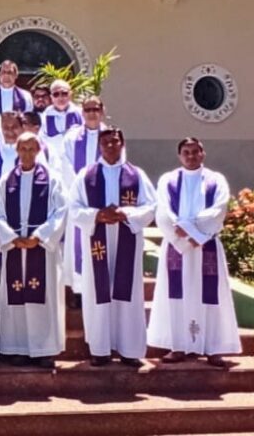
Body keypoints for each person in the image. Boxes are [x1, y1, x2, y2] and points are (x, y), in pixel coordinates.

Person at [69, 128, 156, 367]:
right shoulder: (86, 175)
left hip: (126, 238)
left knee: (127, 293)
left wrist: (125, 213)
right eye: (105, 142)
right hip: (97, 241)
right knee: (99, 293)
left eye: (114, 141)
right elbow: (74, 208)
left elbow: (151, 206)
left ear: (122, 143)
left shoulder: (136, 175)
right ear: (99, 145)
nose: (110, 146)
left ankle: (129, 350)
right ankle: (100, 349)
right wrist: (98, 215)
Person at [149, 138, 239, 367]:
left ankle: (213, 348)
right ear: (180, 156)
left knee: (210, 296)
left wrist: (191, 231)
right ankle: (178, 346)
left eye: (195, 152)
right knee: (176, 295)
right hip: (176, 247)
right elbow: (163, 211)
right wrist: (184, 235)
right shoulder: (167, 180)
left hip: (205, 246)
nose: (191, 156)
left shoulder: (216, 180)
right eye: (186, 152)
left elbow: (218, 210)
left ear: (203, 153)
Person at [0, 132, 68, 368]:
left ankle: (44, 349)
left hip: (41, 249)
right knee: (17, 300)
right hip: (15, 247)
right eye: (22, 149)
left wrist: (39, 236)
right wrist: (12, 238)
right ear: (17, 152)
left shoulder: (52, 179)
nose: (26, 153)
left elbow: (61, 212)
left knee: (41, 299)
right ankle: (20, 348)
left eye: (30, 149)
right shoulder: (6, 180)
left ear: (38, 150)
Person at [60, 96, 110, 300]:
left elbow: (117, 167)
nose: (91, 113)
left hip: (102, 203)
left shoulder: (111, 137)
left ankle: (101, 286)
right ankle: (79, 291)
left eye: (95, 109)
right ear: (82, 112)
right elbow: (65, 166)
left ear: (102, 110)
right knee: (77, 245)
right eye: (87, 109)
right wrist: (81, 193)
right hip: (79, 202)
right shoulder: (72, 138)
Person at [40, 80, 82, 149]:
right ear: (51, 97)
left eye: (64, 93)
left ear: (70, 94)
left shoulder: (80, 113)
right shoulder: (44, 117)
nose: (60, 97)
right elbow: (42, 142)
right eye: (56, 94)